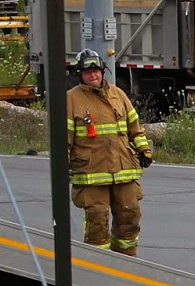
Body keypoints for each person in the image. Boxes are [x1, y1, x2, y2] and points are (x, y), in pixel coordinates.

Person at [65, 49, 152, 257]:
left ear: (102, 71)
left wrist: (144, 149)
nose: (93, 75)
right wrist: (62, 164)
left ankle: (126, 261)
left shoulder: (118, 94)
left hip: (124, 170)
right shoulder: (71, 99)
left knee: (130, 217)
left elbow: (134, 127)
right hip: (91, 172)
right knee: (97, 222)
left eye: (96, 71)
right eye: (88, 72)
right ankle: (98, 266)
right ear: (79, 74)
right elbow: (63, 137)